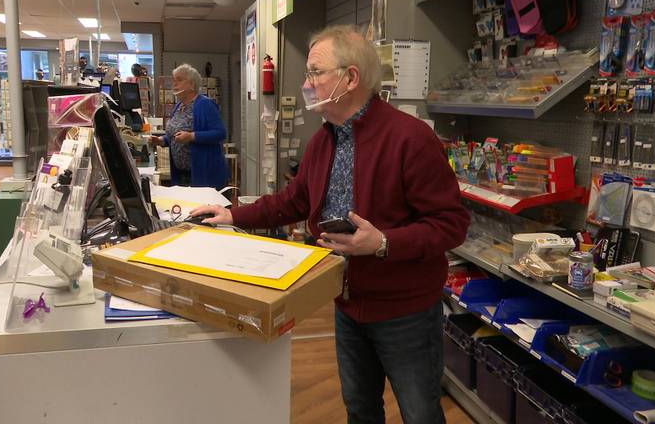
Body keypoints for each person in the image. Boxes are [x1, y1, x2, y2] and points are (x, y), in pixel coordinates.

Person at [190, 25, 470, 424]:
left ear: (350, 78)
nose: (306, 84)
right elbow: (296, 200)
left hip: (404, 311)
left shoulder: (411, 138)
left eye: (314, 73)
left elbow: (452, 224)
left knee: (420, 413)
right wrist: (234, 214)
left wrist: (384, 242)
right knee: (359, 409)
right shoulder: (324, 140)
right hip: (347, 302)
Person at [149, 63, 228, 189]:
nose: (174, 84)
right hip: (181, 174)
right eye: (174, 80)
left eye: (179, 80)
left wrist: (192, 136)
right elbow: (175, 134)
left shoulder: (205, 104)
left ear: (192, 84)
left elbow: (220, 133)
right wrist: (161, 140)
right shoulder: (178, 106)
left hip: (203, 174)